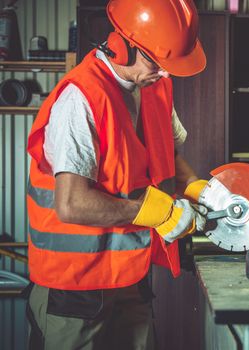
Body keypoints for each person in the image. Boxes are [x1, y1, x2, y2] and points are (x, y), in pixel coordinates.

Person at [25, 0, 209, 348]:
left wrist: (203, 190)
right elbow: (71, 204)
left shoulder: (155, 85)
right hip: (74, 288)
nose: (167, 73)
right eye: (158, 61)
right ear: (123, 47)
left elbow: (170, 154)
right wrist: (158, 212)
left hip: (128, 277)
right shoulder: (80, 99)